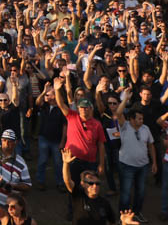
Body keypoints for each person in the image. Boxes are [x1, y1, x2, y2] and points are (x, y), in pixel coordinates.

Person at [54, 78, 106, 219]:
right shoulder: (72, 116)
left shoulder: (97, 124)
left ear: (91, 109)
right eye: (81, 107)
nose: (83, 109)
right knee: (73, 187)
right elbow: (60, 104)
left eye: (86, 107)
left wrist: (101, 163)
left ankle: (90, 210)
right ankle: (72, 211)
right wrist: (58, 90)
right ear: (78, 108)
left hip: (90, 162)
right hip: (73, 160)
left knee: (90, 187)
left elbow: (101, 144)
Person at [113, 89, 157, 222]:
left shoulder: (146, 129)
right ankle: (123, 217)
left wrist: (154, 162)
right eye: (139, 118)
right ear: (131, 119)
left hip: (143, 166)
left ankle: (137, 213)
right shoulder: (125, 126)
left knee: (141, 192)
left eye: (142, 118)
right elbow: (118, 113)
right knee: (125, 193)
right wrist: (125, 99)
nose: (141, 120)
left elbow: (151, 145)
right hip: (126, 165)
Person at [61, 148, 116, 225]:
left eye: (97, 183)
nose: (94, 186)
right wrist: (66, 164)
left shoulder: (105, 203)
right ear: (82, 183)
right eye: (90, 183)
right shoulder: (78, 196)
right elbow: (67, 181)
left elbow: (112, 222)